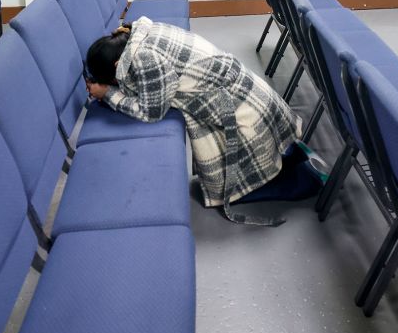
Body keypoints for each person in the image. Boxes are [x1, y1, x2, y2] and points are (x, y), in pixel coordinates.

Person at [85, 16, 307, 226]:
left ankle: (302, 180)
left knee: (237, 189)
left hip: (243, 111)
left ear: (117, 65)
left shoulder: (145, 58)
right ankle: (294, 162)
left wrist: (108, 94)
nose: (117, 83)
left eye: (115, 79)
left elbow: (151, 111)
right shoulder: (139, 34)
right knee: (270, 159)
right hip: (245, 92)